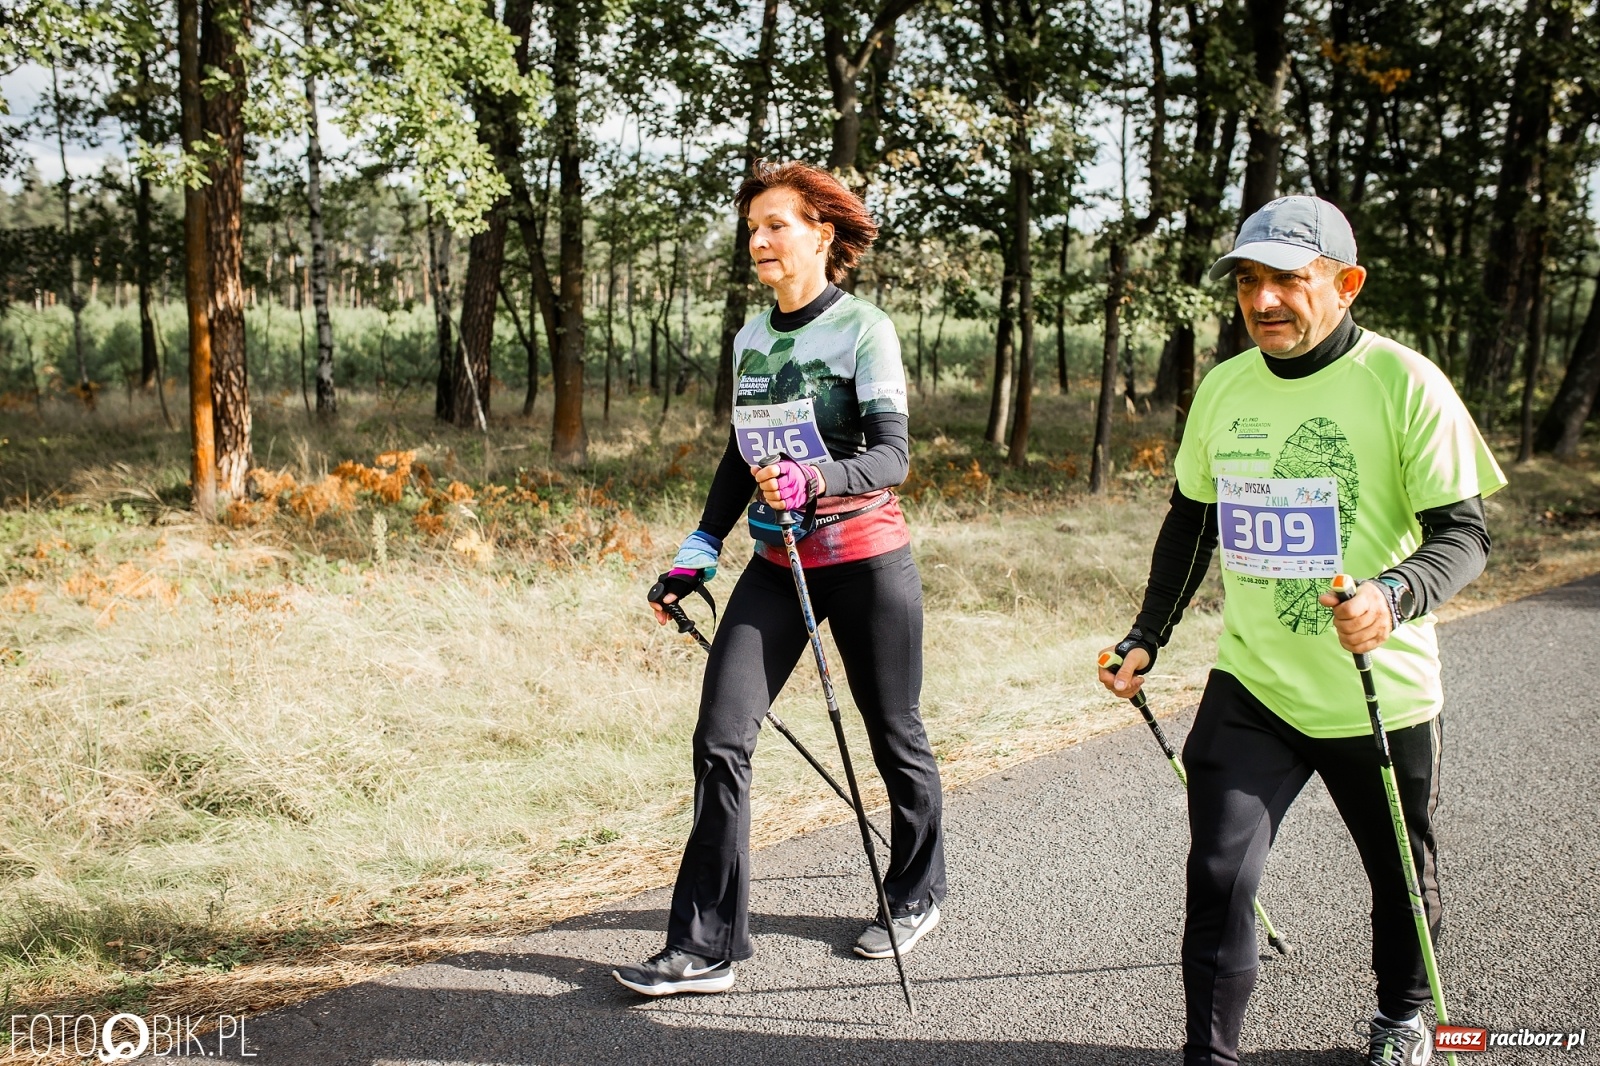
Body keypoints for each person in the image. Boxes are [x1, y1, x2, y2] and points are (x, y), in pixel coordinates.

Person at [1097, 195, 1506, 1065]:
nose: (1264, 300)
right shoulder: (1223, 387)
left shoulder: (1404, 382)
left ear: (1346, 283)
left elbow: (1465, 536)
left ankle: (1402, 1015)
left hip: (1378, 691)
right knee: (1218, 877)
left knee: (1398, 879)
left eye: (1288, 279)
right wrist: (1147, 635)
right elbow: (1192, 523)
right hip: (1255, 686)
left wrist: (1393, 596)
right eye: (1248, 281)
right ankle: (1210, 1056)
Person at [613, 161, 946, 997]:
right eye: (752, 228)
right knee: (721, 741)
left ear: (822, 234)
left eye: (776, 225)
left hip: (865, 562)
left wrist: (817, 480)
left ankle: (915, 890)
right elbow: (740, 452)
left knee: (892, 732)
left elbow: (893, 454)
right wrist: (699, 549)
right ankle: (705, 945)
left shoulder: (865, 330)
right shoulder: (752, 338)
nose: (759, 241)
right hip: (773, 564)